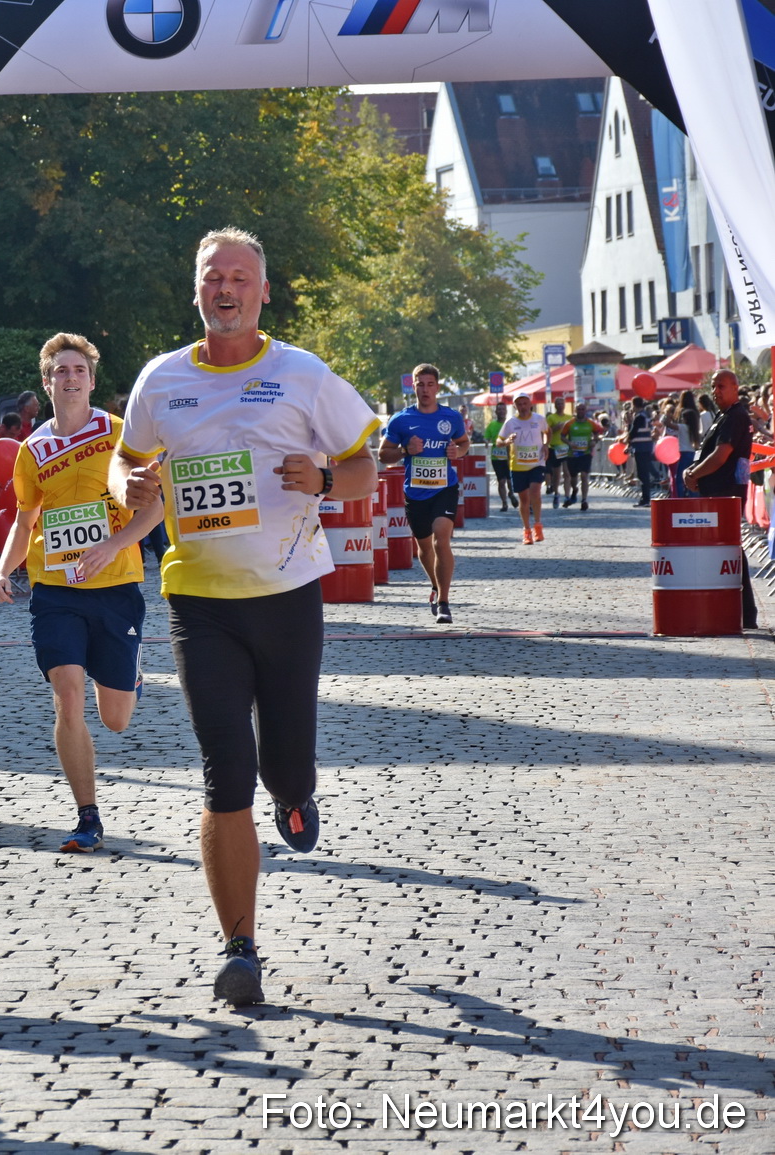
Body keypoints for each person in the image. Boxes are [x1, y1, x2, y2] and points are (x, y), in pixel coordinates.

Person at [107, 228, 380, 1007]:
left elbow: (367, 463)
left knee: (281, 766)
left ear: (263, 292)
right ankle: (240, 946)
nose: (224, 288)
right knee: (225, 772)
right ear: (195, 290)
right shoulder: (161, 380)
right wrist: (131, 482)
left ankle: (296, 793)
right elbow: (127, 458)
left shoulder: (302, 374)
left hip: (289, 597)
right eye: (211, 276)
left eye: (239, 277)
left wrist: (327, 473)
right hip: (200, 603)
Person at [0, 333, 162, 852]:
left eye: (78, 370)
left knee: (116, 718)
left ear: (91, 379)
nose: (69, 377)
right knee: (67, 695)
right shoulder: (32, 450)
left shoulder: (120, 436)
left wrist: (115, 544)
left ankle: (128, 672)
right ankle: (88, 816)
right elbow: (25, 520)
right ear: (47, 382)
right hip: (56, 587)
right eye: (60, 370)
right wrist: (2, 572)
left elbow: (155, 508)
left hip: (116, 585)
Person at [379, 363, 468, 623]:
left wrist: (458, 452)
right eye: (421, 384)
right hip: (416, 493)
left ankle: (444, 602)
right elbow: (384, 455)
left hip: (445, 488)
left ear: (437, 387)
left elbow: (463, 443)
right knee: (424, 546)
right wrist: (406, 450)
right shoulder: (401, 419)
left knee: (442, 537)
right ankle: (434, 585)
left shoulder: (451, 417)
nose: (425, 389)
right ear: (413, 386)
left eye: (430, 384)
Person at [683, 370, 760, 629]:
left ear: (735, 387)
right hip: (716, 493)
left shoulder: (736, 416)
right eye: (714, 386)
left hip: (726, 494)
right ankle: (739, 612)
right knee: (727, 553)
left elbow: (721, 455)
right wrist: (691, 470)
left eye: (721, 386)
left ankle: (746, 613)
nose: (716, 391)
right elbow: (707, 451)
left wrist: (694, 473)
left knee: (731, 553)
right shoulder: (723, 416)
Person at [496, 394, 548, 544]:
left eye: (525, 403)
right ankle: (527, 531)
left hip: (536, 463)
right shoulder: (510, 422)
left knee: (535, 491)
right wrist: (506, 441)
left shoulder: (538, 419)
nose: (523, 407)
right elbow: (498, 441)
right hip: (518, 465)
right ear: (515, 406)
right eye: (519, 404)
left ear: (530, 404)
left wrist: (545, 444)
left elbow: (547, 432)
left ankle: (538, 525)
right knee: (524, 499)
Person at [561, 404, 602, 510]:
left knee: (584, 475)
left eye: (582, 409)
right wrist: (569, 443)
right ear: (575, 410)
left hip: (585, 453)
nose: (580, 411)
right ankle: (574, 489)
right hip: (573, 455)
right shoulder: (569, 423)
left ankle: (584, 500)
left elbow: (598, 433)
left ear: (585, 410)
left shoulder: (590, 423)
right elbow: (562, 436)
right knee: (573, 478)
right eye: (578, 409)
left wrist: (594, 440)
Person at [623, 395, 657, 506]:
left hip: (641, 448)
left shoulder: (639, 417)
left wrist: (626, 441)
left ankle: (645, 499)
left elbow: (633, 432)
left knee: (643, 475)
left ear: (634, 405)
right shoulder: (645, 415)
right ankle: (645, 498)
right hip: (646, 447)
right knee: (643, 474)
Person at [483, 400, 512, 511]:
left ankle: (511, 493)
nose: (501, 411)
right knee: (501, 481)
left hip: (510, 457)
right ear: (496, 411)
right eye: (499, 409)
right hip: (496, 457)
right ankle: (504, 503)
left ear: (506, 411)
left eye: (503, 409)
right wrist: (486, 441)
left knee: (510, 481)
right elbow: (486, 437)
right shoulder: (492, 425)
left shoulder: (510, 423)